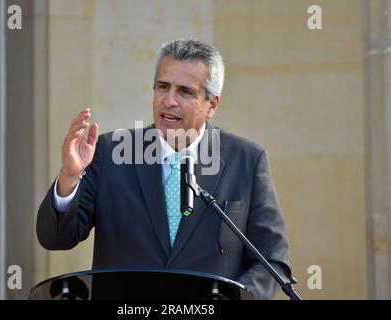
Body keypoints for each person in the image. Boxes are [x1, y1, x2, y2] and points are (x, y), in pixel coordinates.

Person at [36, 39, 293, 299]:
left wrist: (233, 296)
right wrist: (69, 177)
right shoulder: (110, 152)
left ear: (211, 105)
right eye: (162, 87)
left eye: (184, 91)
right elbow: (56, 239)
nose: (169, 100)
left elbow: (273, 262)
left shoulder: (247, 160)